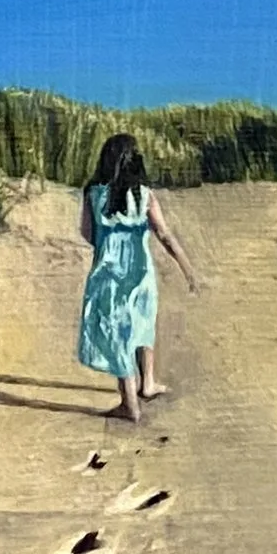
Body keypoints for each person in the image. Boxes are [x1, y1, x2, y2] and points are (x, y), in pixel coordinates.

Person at [77, 132, 199, 427]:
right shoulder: (145, 195)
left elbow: (86, 233)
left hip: (107, 275)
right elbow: (165, 235)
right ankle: (149, 383)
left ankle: (130, 403)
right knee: (142, 323)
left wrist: (108, 244)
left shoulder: (94, 193)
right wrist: (188, 270)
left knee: (116, 332)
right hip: (141, 274)